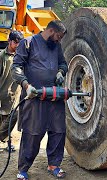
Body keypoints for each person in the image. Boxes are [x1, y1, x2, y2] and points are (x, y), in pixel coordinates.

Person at [11, 20, 68, 180]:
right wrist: (25, 84)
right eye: (58, 36)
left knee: (58, 131)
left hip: (54, 97)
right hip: (34, 96)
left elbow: (63, 63)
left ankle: (54, 165)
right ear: (50, 31)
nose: (59, 40)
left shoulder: (56, 46)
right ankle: (23, 169)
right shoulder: (28, 43)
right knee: (32, 133)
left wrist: (61, 72)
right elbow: (16, 67)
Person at [0, 30, 23, 142]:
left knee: (12, 117)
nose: (18, 45)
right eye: (16, 42)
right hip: (2, 93)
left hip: (15, 95)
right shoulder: (2, 57)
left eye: (20, 43)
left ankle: (5, 138)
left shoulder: (22, 57)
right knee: (2, 118)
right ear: (9, 41)